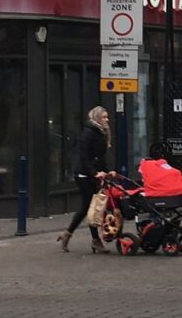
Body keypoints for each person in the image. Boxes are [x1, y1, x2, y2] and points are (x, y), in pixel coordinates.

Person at [57, 106, 116, 253]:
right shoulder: (88, 133)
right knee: (89, 207)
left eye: (107, 117)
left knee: (90, 208)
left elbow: (101, 157)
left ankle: (69, 234)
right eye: (104, 117)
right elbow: (84, 157)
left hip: (93, 174)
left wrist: (108, 172)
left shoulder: (101, 132)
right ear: (97, 118)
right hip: (83, 175)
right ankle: (91, 239)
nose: (107, 119)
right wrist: (95, 173)